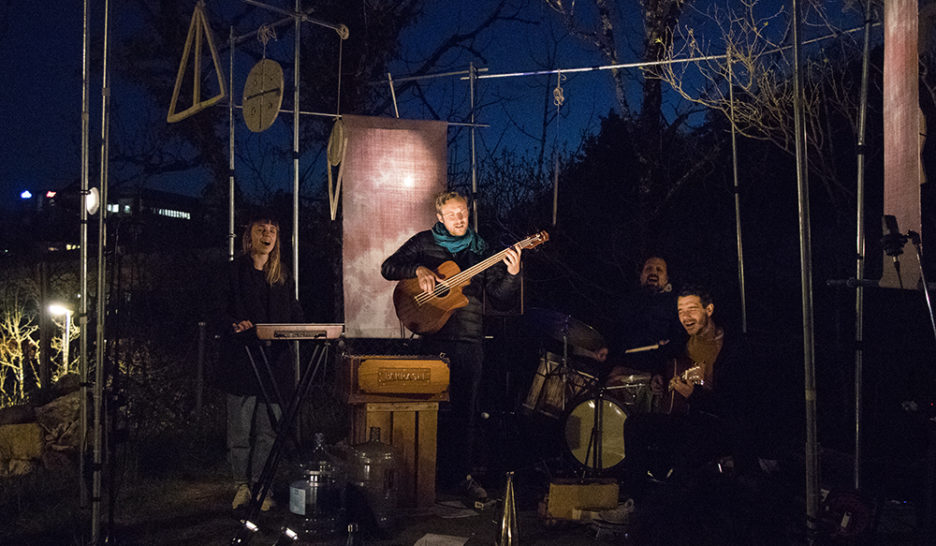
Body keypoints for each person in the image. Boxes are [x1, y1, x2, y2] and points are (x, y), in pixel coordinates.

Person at [381, 190, 522, 503]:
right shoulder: (422, 242)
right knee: (433, 410)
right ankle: (425, 478)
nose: (460, 218)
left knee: (465, 412)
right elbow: (388, 267)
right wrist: (417, 270)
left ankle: (461, 478)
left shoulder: (482, 249)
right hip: (434, 334)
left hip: (470, 338)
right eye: (453, 213)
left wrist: (512, 274)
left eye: (464, 213)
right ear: (440, 217)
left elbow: (499, 295)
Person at [622, 285, 751, 492]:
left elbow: (733, 404)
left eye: (691, 309)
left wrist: (694, 395)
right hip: (687, 419)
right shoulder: (684, 340)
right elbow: (661, 355)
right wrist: (658, 376)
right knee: (635, 424)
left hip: (718, 426)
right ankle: (635, 495)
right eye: (681, 311)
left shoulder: (732, 348)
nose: (685, 317)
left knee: (686, 452)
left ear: (709, 310)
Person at [218, 214, 304, 511]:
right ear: (250, 236)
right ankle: (240, 486)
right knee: (240, 432)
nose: (267, 235)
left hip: (275, 365)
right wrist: (234, 325)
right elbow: (219, 309)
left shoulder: (282, 274)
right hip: (242, 363)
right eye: (261, 230)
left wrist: (305, 329)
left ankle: (261, 485)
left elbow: (294, 313)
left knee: (269, 430)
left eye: (272, 230)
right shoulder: (233, 272)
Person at [606, 256, 686, 411]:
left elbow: (677, 344)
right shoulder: (628, 302)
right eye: (648, 268)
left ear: (666, 278)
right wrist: (606, 350)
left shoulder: (675, 306)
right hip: (622, 373)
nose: (653, 272)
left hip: (654, 378)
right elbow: (617, 336)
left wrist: (660, 373)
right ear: (641, 276)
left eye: (659, 269)